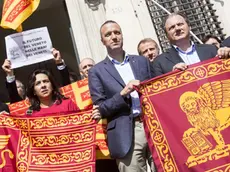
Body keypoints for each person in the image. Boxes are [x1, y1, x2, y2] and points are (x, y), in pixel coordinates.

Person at [88, 20, 155, 172]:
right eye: (108, 34)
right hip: (125, 132)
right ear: (102, 41)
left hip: (152, 124)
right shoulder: (96, 71)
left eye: (117, 33)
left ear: (122, 36)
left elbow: (157, 89)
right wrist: (123, 93)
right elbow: (101, 108)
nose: (114, 37)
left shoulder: (141, 61)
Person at [152, 13, 230, 76]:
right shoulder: (160, 62)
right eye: (172, 27)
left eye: (180, 24)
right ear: (167, 35)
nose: (177, 28)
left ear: (189, 27)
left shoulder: (211, 50)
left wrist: (227, 56)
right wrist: (173, 76)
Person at [2, 48, 71, 103]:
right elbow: (14, 98)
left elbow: (67, 86)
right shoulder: (29, 111)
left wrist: (59, 63)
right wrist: (10, 74)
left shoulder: (64, 101)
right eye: (38, 83)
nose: (43, 85)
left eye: (46, 81)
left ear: (52, 85)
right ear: (33, 91)